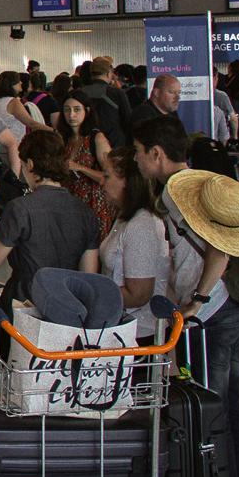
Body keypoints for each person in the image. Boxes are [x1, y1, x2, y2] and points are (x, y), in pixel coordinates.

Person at [132, 116, 239, 477]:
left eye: (137, 152)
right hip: (234, 308)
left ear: (156, 153)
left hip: (215, 314)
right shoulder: (200, 183)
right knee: (229, 414)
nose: (135, 160)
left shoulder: (176, 192)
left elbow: (218, 246)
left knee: (213, 417)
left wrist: (198, 301)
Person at [0, 130, 99, 319]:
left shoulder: (19, 208)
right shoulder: (85, 212)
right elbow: (88, 274)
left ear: (30, 164)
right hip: (67, 309)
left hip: (23, 306)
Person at [98, 146, 169, 341]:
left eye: (107, 176)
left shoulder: (141, 225)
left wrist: (94, 295)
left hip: (138, 332)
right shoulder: (125, 217)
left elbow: (139, 294)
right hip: (120, 327)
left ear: (127, 183)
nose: (102, 182)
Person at [57, 89, 117, 241]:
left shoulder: (97, 138)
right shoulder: (65, 139)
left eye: (77, 110)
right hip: (72, 205)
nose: (71, 115)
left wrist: (80, 168)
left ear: (87, 111)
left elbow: (110, 176)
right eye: (67, 110)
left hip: (95, 205)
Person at [0, 71, 49, 143]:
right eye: (18, 81)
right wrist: (53, 130)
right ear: (11, 84)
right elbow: (31, 123)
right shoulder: (13, 102)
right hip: (14, 144)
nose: (21, 82)